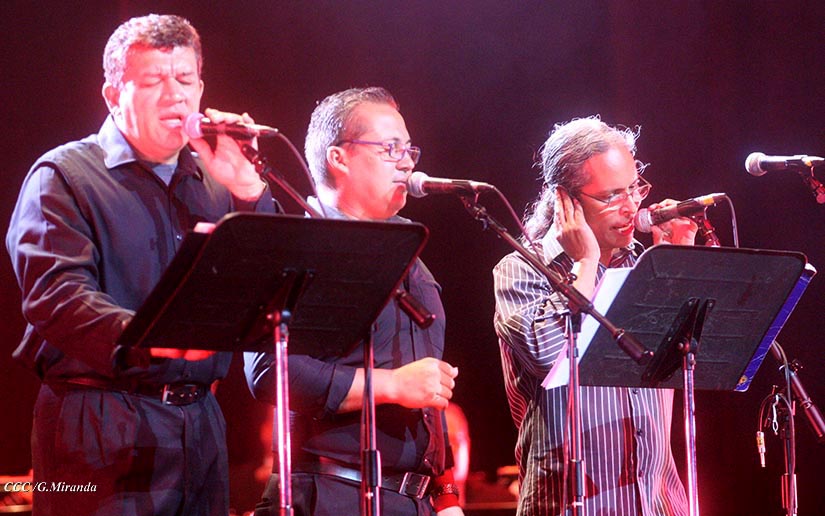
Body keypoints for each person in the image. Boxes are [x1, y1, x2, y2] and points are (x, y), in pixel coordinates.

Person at [6, 14, 278, 516]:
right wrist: (151, 338)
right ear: (113, 95)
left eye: (186, 80)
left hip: (200, 421)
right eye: (154, 80)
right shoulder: (64, 175)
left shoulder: (217, 181)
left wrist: (249, 190)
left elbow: (275, 286)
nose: (175, 95)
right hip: (98, 422)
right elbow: (57, 297)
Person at [244, 87, 464, 516]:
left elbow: (427, 389)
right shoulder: (299, 246)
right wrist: (391, 385)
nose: (407, 162)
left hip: (415, 500)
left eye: (409, 150)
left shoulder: (412, 256)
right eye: (390, 148)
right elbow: (269, 369)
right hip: (329, 493)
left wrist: (445, 495)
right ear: (338, 158)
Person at [492, 116, 695, 516]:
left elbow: (693, 364)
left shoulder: (645, 266)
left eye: (634, 189)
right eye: (611, 196)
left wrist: (679, 264)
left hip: (659, 503)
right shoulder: (522, 269)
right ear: (565, 201)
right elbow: (549, 354)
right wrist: (585, 264)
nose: (631, 207)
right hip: (572, 505)